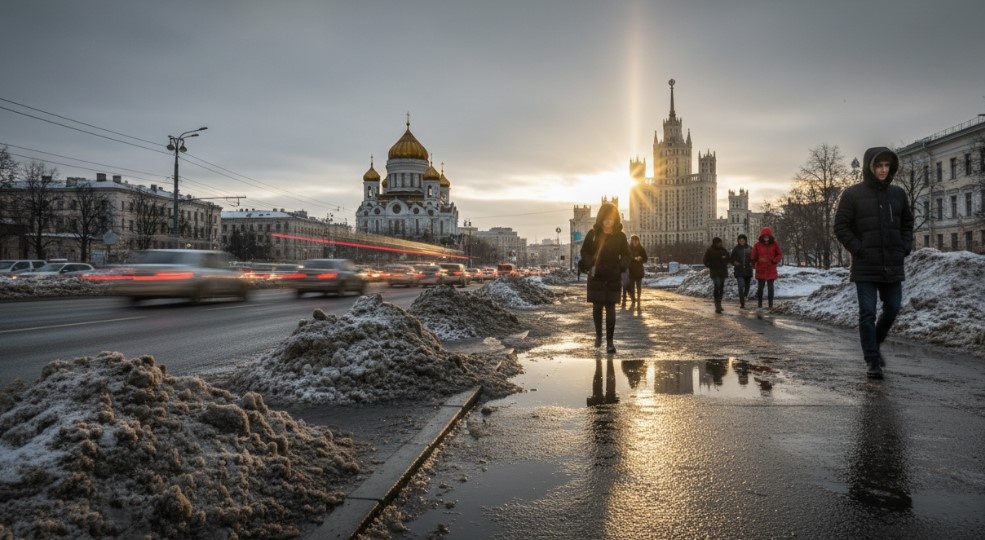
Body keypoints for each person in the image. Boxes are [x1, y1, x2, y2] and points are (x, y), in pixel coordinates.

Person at [833, 146, 913, 379]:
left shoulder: (898, 194)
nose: (883, 170)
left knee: (893, 308)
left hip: (892, 263)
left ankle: (873, 346)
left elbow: (907, 223)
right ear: (870, 167)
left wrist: (904, 246)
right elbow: (840, 226)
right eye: (879, 165)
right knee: (867, 313)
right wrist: (858, 249)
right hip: (866, 265)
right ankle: (872, 360)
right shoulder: (853, 194)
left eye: (887, 166)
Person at [579, 202, 631, 353]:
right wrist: (590, 263)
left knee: (610, 308)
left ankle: (610, 342)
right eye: (606, 219)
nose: (608, 222)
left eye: (611, 219)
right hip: (596, 276)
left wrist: (621, 266)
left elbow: (627, 254)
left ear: (615, 220)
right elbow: (584, 251)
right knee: (596, 308)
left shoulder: (620, 236)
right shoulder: (593, 234)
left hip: (613, 276)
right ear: (601, 219)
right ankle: (598, 336)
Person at [750, 227, 782, 309]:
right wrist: (754, 261)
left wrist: (774, 260)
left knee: (770, 288)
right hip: (761, 268)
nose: (766, 238)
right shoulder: (757, 245)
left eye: (767, 236)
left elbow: (779, 254)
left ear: (770, 236)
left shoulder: (774, 244)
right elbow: (754, 255)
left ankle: (770, 305)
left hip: (771, 268)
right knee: (760, 288)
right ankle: (760, 304)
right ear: (762, 237)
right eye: (764, 236)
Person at [703, 237, 730, 313]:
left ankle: (719, 303)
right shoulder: (710, 250)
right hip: (715, 272)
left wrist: (725, 261)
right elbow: (705, 260)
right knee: (717, 286)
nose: (719, 244)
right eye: (718, 243)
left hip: (722, 272)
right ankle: (717, 304)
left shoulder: (723, 250)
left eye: (720, 243)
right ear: (714, 243)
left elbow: (728, 257)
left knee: (721, 287)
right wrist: (711, 265)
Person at [730, 234, 754, 308]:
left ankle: (745, 296)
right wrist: (734, 262)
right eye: (740, 240)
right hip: (739, 271)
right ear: (738, 241)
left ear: (745, 240)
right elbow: (731, 259)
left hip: (748, 271)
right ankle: (742, 302)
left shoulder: (750, 248)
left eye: (743, 240)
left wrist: (752, 263)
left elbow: (754, 258)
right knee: (740, 286)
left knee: (747, 286)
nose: (741, 241)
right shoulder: (736, 249)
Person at [627, 235, 648, 306]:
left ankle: (638, 298)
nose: (635, 242)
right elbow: (627, 258)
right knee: (631, 286)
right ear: (631, 241)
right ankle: (633, 299)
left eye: (636, 240)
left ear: (638, 241)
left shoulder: (641, 249)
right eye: (633, 240)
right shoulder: (628, 249)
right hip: (631, 270)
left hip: (639, 270)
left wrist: (641, 258)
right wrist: (633, 259)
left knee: (638, 286)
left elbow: (645, 258)